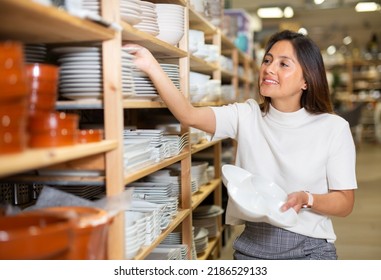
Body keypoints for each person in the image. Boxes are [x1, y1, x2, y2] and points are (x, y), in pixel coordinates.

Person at [125, 29, 357, 260]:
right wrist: (150, 63)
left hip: (310, 251)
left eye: (284, 64)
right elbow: (188, 115)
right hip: (252, 249)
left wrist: (307, 199)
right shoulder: (246, 115)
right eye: (267, 60)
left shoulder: (334, 128)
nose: (269, 68)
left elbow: (345, 203)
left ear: (306, 80)